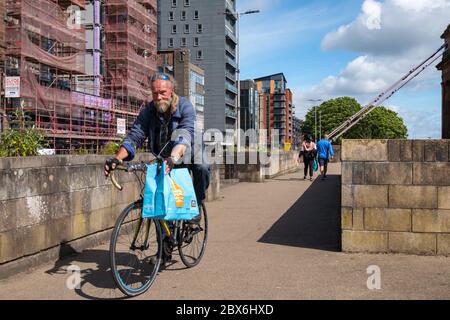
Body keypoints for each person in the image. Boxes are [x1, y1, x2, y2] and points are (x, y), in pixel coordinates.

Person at [104, 72, 211, 269]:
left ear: (172, 91)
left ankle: (196, 206)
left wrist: (174, 157)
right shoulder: (148, 111)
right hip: (164, 155)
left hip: (188, 152)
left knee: (203, 166)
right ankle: (165, 251)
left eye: (162, 92)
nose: (159, 97)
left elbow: (184, 135)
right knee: (161, 199)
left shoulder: (185, 107)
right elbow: (135, 136)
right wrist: (117, 158)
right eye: (155, 94)